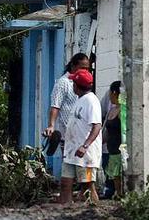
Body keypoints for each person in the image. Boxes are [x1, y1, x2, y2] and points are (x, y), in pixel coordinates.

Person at [59, 69, 102, 204]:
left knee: (88, 186)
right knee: (65, 184)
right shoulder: (80, 100)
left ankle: (95, 211)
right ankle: (64, 209)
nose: (72, 85)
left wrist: (85, 146)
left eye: (73, 83)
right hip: (72, 151)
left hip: (86, 154)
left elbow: (97, 126)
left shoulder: (91, 101)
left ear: (77, 85)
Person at [44, 53, 90, 175]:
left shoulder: (84, 84)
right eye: (82, 68)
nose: (85, 71)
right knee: (70, 166)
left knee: (82, 167)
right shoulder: (63, 83)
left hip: (82, 133)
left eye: (87, 68)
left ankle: (80, 190)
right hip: (68, 134)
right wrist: (51, 125)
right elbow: (55, 106)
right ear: (73, 66)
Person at [103, 81, 125, 200]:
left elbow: (125, 131)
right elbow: (107, 132)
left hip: (119, 150)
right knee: (115, 176)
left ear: (114, 93)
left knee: (120, 177)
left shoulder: (123, 110)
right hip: (112, 151)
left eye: (110, 93)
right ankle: (118, 196)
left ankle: (122, 198)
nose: (109, 96)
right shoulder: (112, 110)